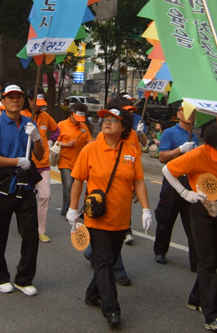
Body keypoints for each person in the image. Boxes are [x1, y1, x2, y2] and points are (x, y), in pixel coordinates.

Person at [67, 106, 152, 329]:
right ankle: (111, 309)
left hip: (121, 219)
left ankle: (92, 294)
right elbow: (77, 180)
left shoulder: (131, 151)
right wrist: (73, 209)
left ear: (124, 127)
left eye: (114, 120)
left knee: (110, 260)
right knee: (104, 262)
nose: (107, 122)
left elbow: (139, 181)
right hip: (97, 218)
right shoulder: (90, 149)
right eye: (105, 118)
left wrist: (145, 209)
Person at [162, 119, 217, 331]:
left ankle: (196, 297)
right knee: (206, 260)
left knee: (216, 258)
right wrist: (186, 193)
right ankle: (212, 315)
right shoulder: (197, 154)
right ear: (209, 143)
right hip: (201, 209)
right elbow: (167, 170)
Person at [0, 84, 44, 296]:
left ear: (24, 100)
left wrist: (36, 138)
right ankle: (0, 275)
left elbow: (41, 154)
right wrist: (16, 161)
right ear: (3, 101)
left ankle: (24, 278)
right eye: (10, 97)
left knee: (30, 236)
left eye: (18, 97)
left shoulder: (29, 123)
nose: (15, 101)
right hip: (1, 187)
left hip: (25, 186)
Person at [154, 103, 199, 271]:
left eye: (192, 112)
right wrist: (180, 150)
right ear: (178, 114)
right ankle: (160, 251)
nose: (188, 114)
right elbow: (162, 157)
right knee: (166, 218)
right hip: (172, 181)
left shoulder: (194, 137)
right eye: (184, 111)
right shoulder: (169, 133)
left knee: (193, 223)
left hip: (190, 184)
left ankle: (196, 261)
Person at [22, 87, 57, 243]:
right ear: (29, 100)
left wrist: (49, 141)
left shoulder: (45, 117)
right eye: (36, 102)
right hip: (25, 164)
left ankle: (40, 230)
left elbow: (56, 131)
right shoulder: (21, 116)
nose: (39, 107)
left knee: (45, 195)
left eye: (42, 104)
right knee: (24, 198)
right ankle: (25, 227)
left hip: (43, 164)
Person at [56, 102, 92, 216]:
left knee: (76, 187)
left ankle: (69, 208)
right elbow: (55, 141)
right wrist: (65, 144)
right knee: (68, 185)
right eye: (76, 117)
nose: (78, 120)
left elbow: (89, 141)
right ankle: (68, 210)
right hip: (65, 160)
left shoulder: (84, 127)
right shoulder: (61, 125)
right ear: (71, 114)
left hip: (79, 163)